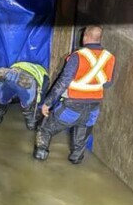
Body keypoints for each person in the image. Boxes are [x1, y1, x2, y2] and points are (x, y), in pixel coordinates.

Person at [33, 26, 116, 164]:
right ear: (100, 38)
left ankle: (38, 162)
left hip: (71, 108)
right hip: (92, 110)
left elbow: (62, 82)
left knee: (45, 129)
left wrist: (47, 103)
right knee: (79, 144)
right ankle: (76, 162)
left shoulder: (78, 56)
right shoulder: (110, 58)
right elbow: (108, 84)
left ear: (85, 36)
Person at [0, 61, 49, 130]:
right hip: (28, 83)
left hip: (14, 69)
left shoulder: (23, 64)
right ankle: (31, 128)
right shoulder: (45, 77)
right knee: (32, 119)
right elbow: (39, 101)